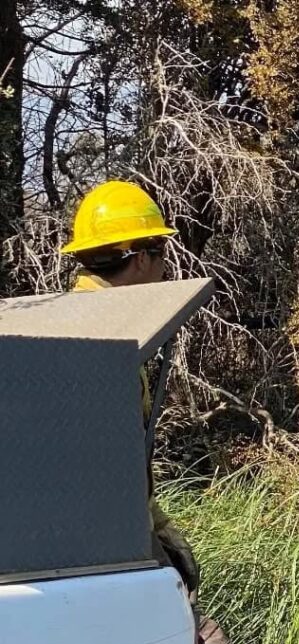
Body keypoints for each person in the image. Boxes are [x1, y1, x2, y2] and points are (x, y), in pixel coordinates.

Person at [61, 179, 199, 596]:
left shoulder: (59, 320)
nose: (164, 268)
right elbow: (112, 468)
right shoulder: (105, 339)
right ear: (140, 259)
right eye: (161, 252)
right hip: (100, 551)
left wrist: (160, 526)